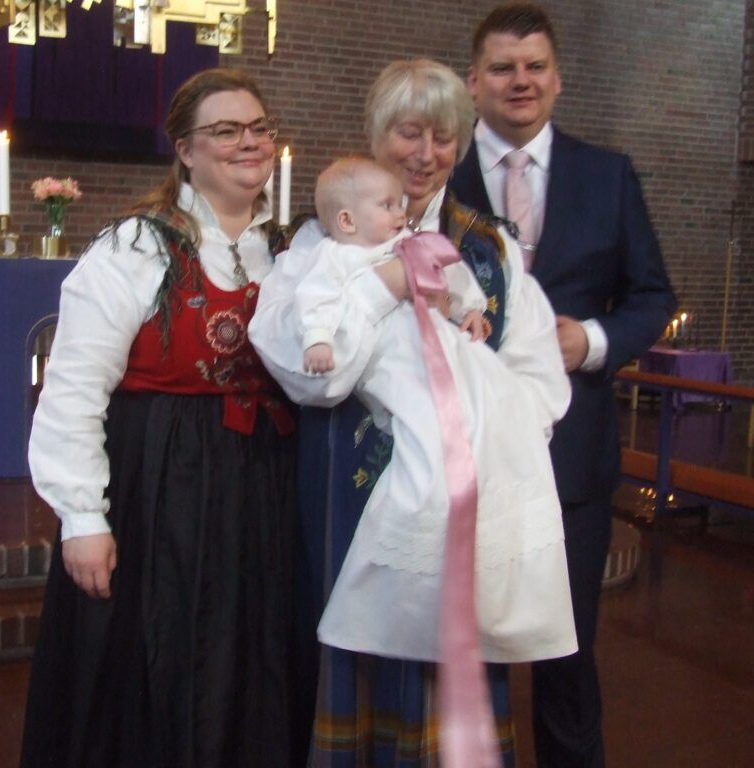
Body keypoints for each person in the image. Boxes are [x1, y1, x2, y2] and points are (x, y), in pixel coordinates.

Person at [249, 58, 571, 767]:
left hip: (465, 504)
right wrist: (384, 286)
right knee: (355, 663)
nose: (426, 154)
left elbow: (538, 380)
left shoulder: (487, 247)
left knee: (450, 668)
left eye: (444, 137)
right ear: (376, 135)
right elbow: (312, 379)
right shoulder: (318, 244)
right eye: (408, 133)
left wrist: (484, 440)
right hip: (346, 501)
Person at [20, 67, 297, 768]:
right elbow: (74, 389)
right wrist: (83, 517)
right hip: (160, 488)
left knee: (249, 662)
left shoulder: (291, 252)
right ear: (184, 149)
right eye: (225, 131)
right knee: (162, 662)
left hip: (261, 489)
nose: (248, 143)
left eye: (258, 128)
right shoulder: (135, 248)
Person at [449, 4, 677, 766]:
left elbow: (651, 294)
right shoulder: (437, 174)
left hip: (572, 455)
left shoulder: (606, 175)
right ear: (473, 81)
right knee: (457, 658)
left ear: (557, 79)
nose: (521, 81)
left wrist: (593, 341)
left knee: (567, 658)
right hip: (460, 456)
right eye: (503, 68)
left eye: (535, 67)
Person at [298, 156, 488, 376]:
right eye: (388, 206)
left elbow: (450, 269)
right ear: (348, 221)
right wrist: (318, 338)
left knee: (475, 372)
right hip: (384, 354)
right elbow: (316, 293)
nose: (400, 213)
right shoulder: (333, 254)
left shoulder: (409, 241)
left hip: (434, 337)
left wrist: (470, 308)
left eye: (400, 204)